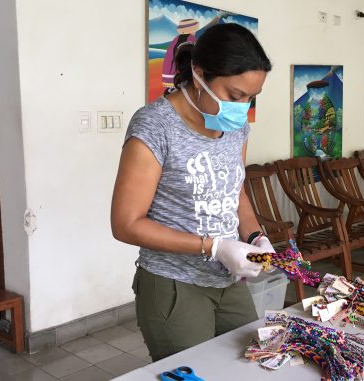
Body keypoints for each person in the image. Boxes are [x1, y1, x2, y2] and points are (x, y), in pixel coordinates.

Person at [111, 23, 274, 361]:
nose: (242, 108)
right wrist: (213, 247)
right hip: (174, 284)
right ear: (199, 75)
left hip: (227, 280)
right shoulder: (154, 126)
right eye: (234, 95)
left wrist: (256, 236)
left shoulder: (235, 126)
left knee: (251, 363)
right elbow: (126, 224)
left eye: (250, 98)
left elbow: (235, 190)